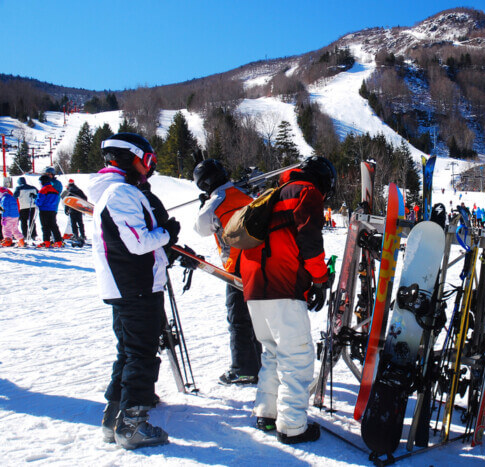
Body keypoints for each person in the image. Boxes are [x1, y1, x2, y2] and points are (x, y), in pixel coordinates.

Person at [87, 132, 180, 450]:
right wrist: (167, 233)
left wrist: (164, 238)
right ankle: (132, 425)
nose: (150, 168)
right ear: (130, 157)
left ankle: (113, 420)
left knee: (128, 353)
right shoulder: (121, 194)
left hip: (128, 285)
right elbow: (138, 243)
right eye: (148, 161)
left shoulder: (116, 193)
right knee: (141, 354)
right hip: (136, 287)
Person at [240, 155, 335, 444]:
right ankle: (293, 427)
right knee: (297, 357)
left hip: (255, 288)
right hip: (283, 286)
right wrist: (319, 279)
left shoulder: (275, 193)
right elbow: (309, 240)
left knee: (272, 353)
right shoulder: (307, 192)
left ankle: (266, 415)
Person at [192, 159, 262, 385]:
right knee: (255, 317)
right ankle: (259, 363)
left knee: (238, 318)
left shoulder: (215, 202)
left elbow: (200, 229)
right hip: (258, 262)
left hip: (237, 266)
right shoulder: (243, 193)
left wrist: (204, 205)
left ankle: (243, 368)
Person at [35, 175, 63, 247]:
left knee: (45, 226)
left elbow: (40, 201)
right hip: (52, 210)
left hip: (44, 210)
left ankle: (46, 241)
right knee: (53, 225)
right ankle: (58, 241)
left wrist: (35, 200)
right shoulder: (54, 190)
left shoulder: (43, 189)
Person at [61, 179, 87, 244]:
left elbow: (67, 201)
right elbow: (85, 198)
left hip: (72, 209)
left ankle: (75, 235)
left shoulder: (68, 191)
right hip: (79, 208)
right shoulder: (79, 190)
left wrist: (66, 209)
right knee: (80, 222)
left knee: (73, 223)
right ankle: (83, 235)